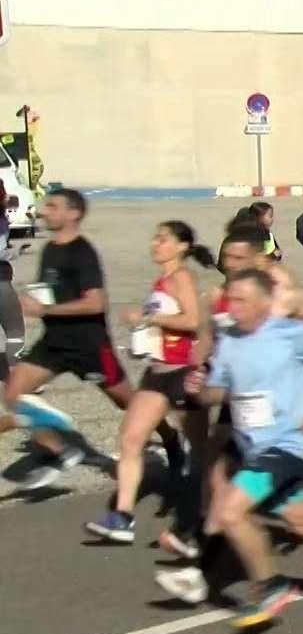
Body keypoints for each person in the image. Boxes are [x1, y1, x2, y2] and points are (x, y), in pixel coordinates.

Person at [157, 270, 303, 628]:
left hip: (290, 445)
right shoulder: (229, 339)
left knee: (231, 511)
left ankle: (270, 585)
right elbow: (217, 393)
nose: (232, 307)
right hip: (255, 449)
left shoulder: (289, 334)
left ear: (265, 303)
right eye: (230, 299)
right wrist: (197, 388)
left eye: (242, 300)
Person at [3, 190, 148, 489]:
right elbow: (53, 291)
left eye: (53, 207)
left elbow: (96, 303)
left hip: (91, 346)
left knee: (131, 404)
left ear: (73, 214)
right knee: (14, 395)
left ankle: (172, 442)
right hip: (54, 343)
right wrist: (36, 302)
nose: (45, 212)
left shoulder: (83, 252)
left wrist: (45, 308)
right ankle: (62, 451)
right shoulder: (49, 250)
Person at [91, 222, 216, 544]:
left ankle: (209, 517)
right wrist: (143, 336)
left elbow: (192, 321)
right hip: (156, 372)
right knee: (131, 439)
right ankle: (121, 517)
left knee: (202, 451)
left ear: (182, 247)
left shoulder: (182, 277)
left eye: (163, 239)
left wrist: (148, 319)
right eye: (155, 238)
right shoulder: (160, 281)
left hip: (185, 371)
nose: (155, 244)